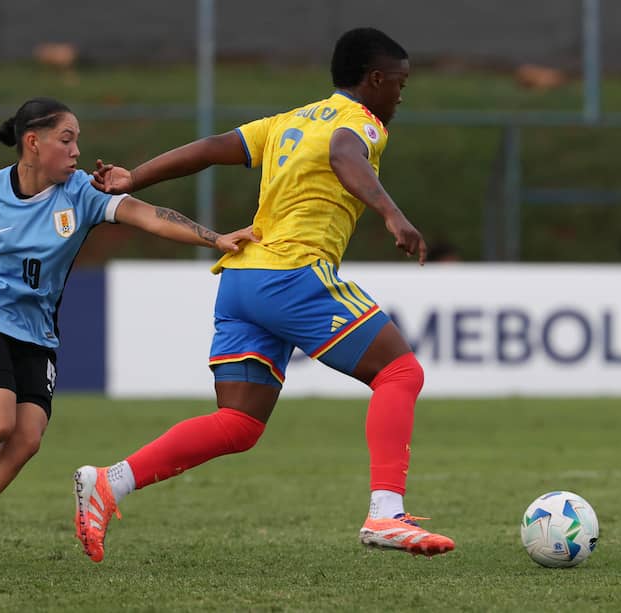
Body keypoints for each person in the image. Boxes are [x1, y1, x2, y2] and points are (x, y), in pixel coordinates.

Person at [73, 27, 454, 564]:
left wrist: (134, 177)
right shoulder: (360, 122)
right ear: (374, 80)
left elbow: (210, 148)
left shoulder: (288, 121)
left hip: (242, 279)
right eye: (399, 83)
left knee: (240, 422)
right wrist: (392, 214)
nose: (400, 95)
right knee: (400, 372)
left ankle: (111, 481)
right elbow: (345, 154)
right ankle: (386, 513)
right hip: (293, 273)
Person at [0, 97, 256, 570]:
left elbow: (149, 215)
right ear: (33, 143)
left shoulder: (81, 193)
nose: (77, 151)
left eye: (77, 140)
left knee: (25, 439)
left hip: (36, 337)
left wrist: (215, 238)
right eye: (66, 140)